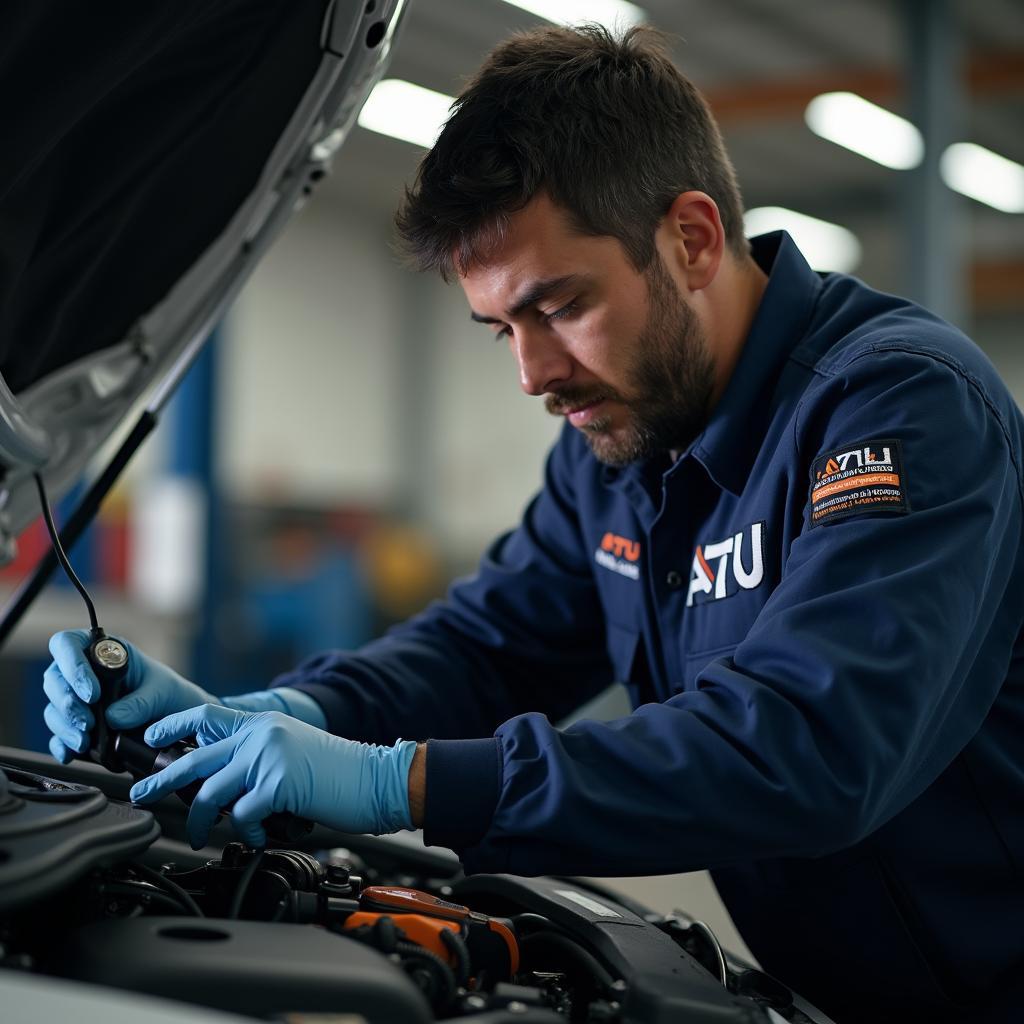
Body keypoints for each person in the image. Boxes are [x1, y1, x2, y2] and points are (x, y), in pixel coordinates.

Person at [41, 24, 1024, 1023]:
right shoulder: (618, 447)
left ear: (689, 238)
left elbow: (808, 746)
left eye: (558, 305)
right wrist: (288, 714)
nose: (532, 373)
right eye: (502, 327)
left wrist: (403, 783)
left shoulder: (898, 406)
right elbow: (484, 649)